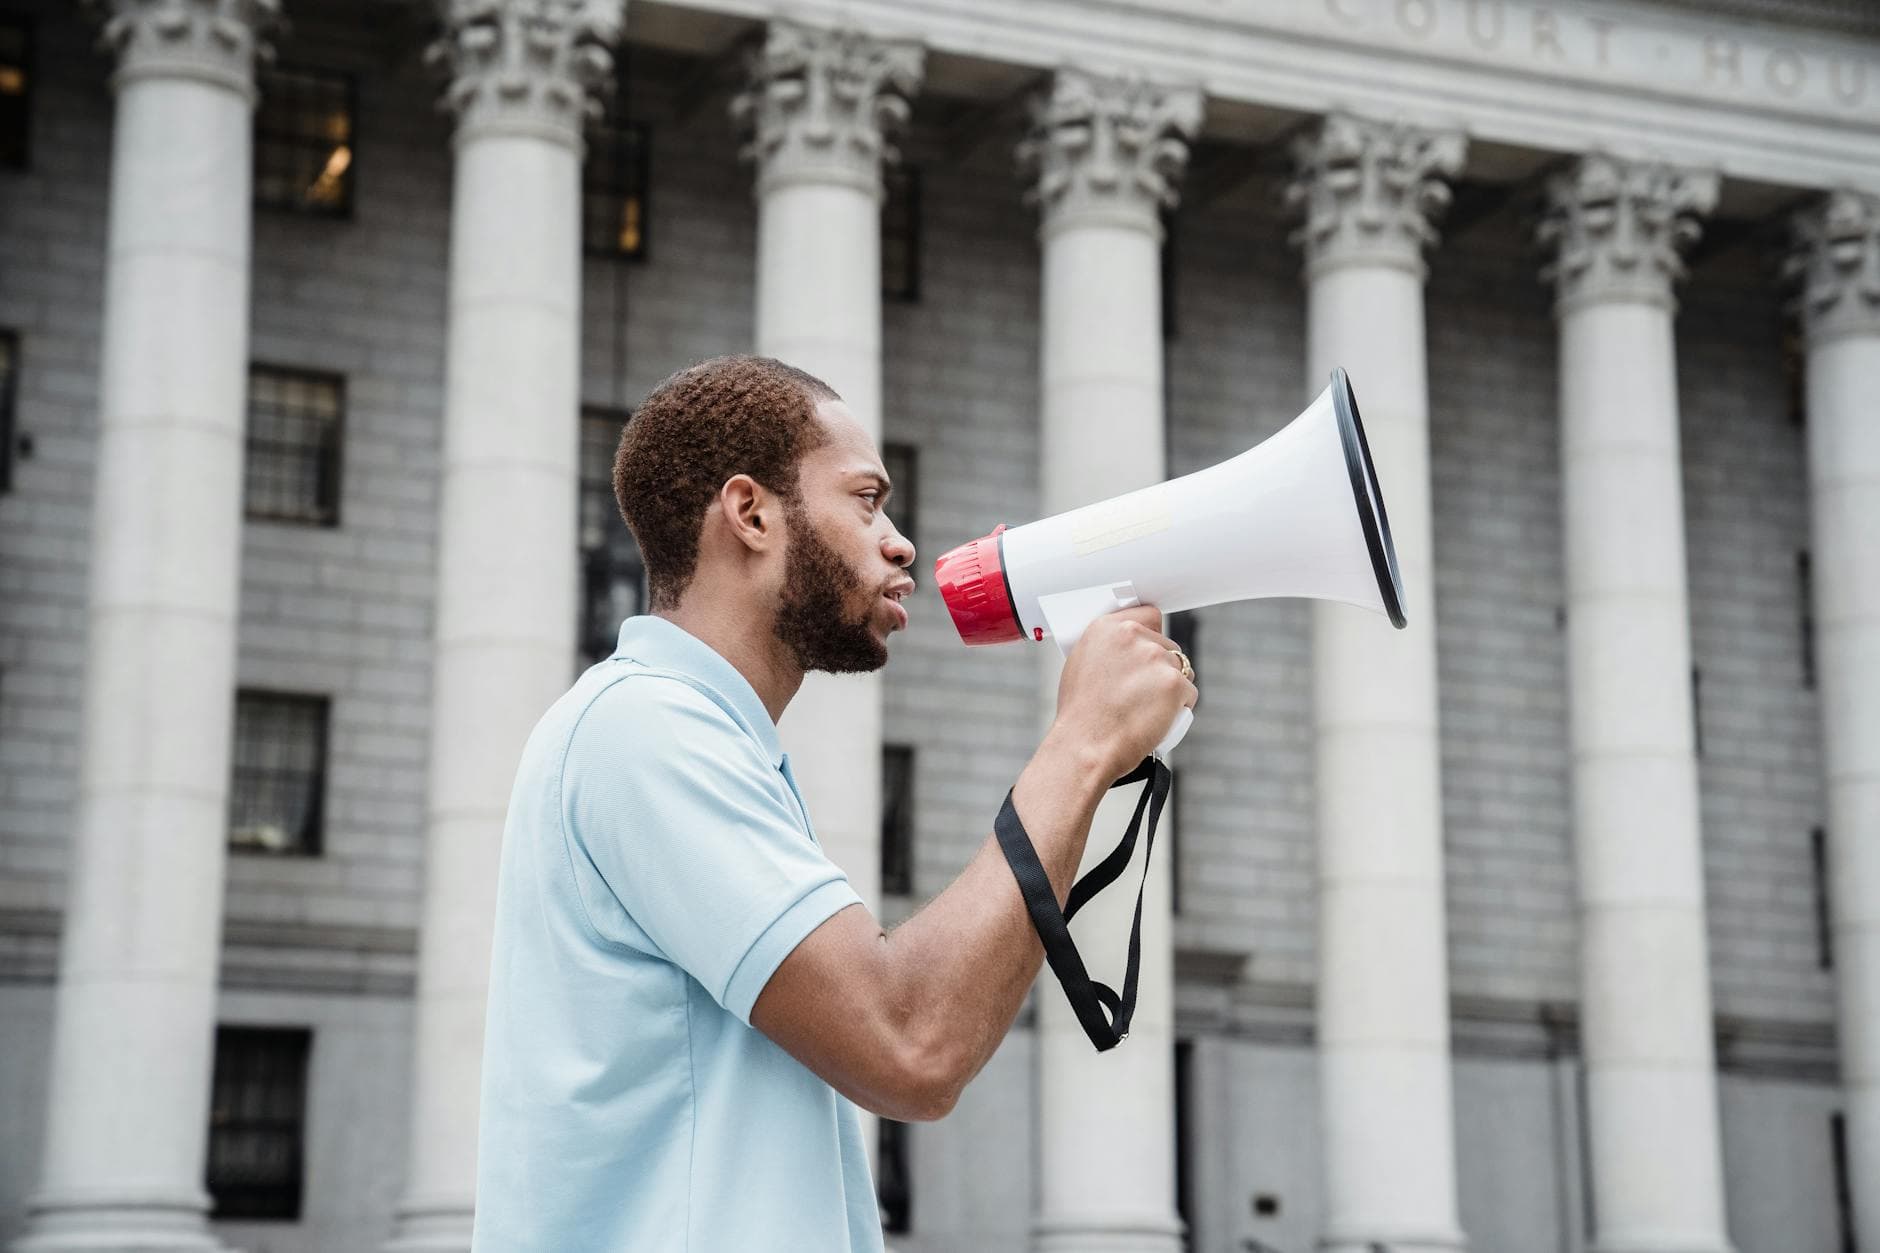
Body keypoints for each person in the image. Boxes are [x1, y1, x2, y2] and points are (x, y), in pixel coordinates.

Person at [470, 354, 1198, 1252]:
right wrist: (1085, 741)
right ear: (751, 513)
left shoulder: (688, 734)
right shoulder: (646, 729)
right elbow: (912, 1044)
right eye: (866, 499)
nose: (899, 542)